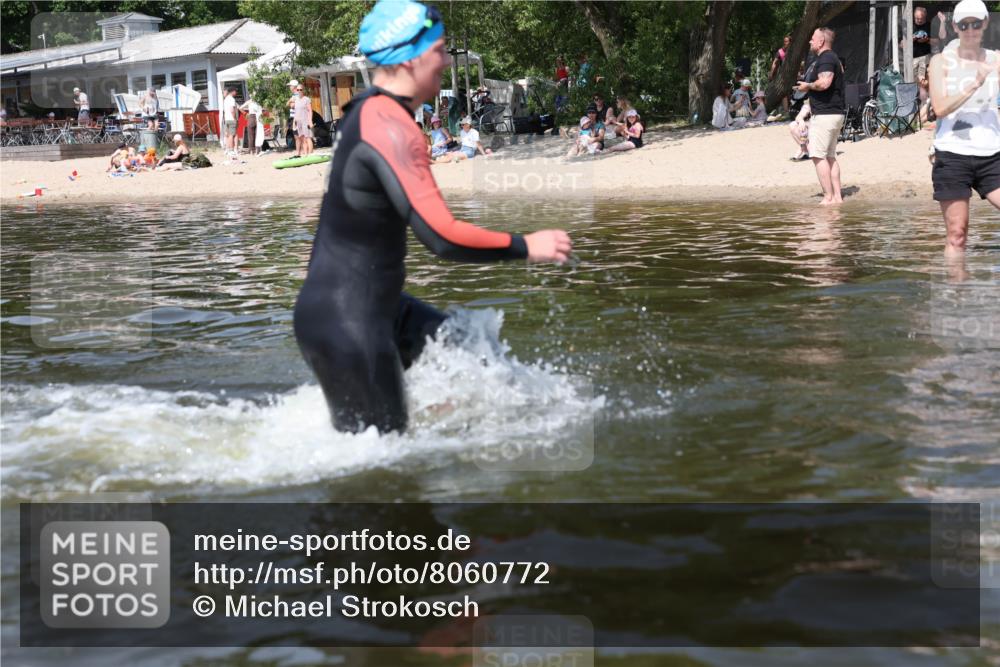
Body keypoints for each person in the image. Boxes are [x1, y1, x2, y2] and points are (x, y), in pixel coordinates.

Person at [294, 0, 571, 434]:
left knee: (474, 351)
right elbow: (441, 237)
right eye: (438, 49)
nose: (444, 59)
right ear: (411, 56)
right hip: (349, 321)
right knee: (386, 473)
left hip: (369, 308)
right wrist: (526, 245)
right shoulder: (391, 126)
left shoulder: (368, 110)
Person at [927, 0, 1000, 256]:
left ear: (986, 24)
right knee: (958, 234)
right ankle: (956, 294)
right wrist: (975, 83)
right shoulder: (940, 62)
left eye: (976, 23)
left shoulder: (996, 60)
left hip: (992, 155)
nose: (971, 29)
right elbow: (940, 108)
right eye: (964, 24)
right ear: (955, 27)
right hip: (953, 155)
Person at [797, 27, 846, 205]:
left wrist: (807, 86)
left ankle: (829, 197)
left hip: (826, 114)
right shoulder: (833, 58)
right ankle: (838, 197)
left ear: (821, 41)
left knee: (818, 155)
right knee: (831, 156)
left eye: (812, 38)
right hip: (834, 113)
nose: (810, 41)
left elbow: (825, 83)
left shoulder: (826, 58)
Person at [907, 6, 934, 102]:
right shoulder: (909, 26)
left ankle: (925, 101)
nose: (919, 21)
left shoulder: (929, 26)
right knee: (914, 81)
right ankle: (917, 102)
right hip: (912, 58)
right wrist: (911, 39)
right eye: (917, 18)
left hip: (925, 56)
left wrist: (927, 40)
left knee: (922, 79)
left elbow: (937, 41)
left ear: (925, 17)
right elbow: (901, 43)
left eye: (921, 19)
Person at [292, 83, 314, 157]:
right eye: (298, 90)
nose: (299, 91)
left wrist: (310, 121)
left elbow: (310, 110)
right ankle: (305, 153)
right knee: (302, 138)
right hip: (298, 121)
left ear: (303, 90)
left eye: (300, 89)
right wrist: (294, 122)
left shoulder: (307, 99)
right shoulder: (296, 100)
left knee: (307, 137)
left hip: (305, 120)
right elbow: (296, 112)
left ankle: (310, 154)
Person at [223, 88, 239, 159]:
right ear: (233, 91)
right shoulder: (232, 99)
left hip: (226, 119)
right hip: (231, 119)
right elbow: (232, 110)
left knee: (228, 134)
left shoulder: (226, 99)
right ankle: (231, 149)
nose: (236, 93)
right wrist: (235, 118)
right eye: (236, 92)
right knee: (232, 135)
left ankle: (228, 149)